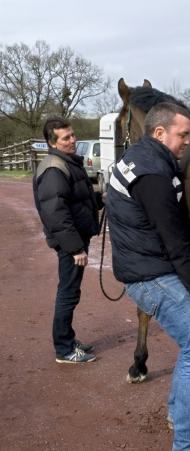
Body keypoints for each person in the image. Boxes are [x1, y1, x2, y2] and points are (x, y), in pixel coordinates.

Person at [105, 102, 190, 451]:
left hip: (147, 267)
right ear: (160, 133)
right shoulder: (153, 174)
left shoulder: (143, 158)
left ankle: (181, 416)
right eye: (182, 135)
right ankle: (189, 446)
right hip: (151, 276)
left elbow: (169, 228)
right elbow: (173, 238)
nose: (186, 142)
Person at [33, 116, 105, 364]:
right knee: (68, 292)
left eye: (72, 134)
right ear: (52, 142)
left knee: (70, 290)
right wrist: (75, 248)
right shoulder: (54, 169)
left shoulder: (66, 163)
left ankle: (67, 337)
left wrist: (100, 199)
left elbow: (76, 200)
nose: (73, 140)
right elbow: (56, 213)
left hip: (74, 238)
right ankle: (63, 349)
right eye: (66, 137)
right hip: (69, 243)